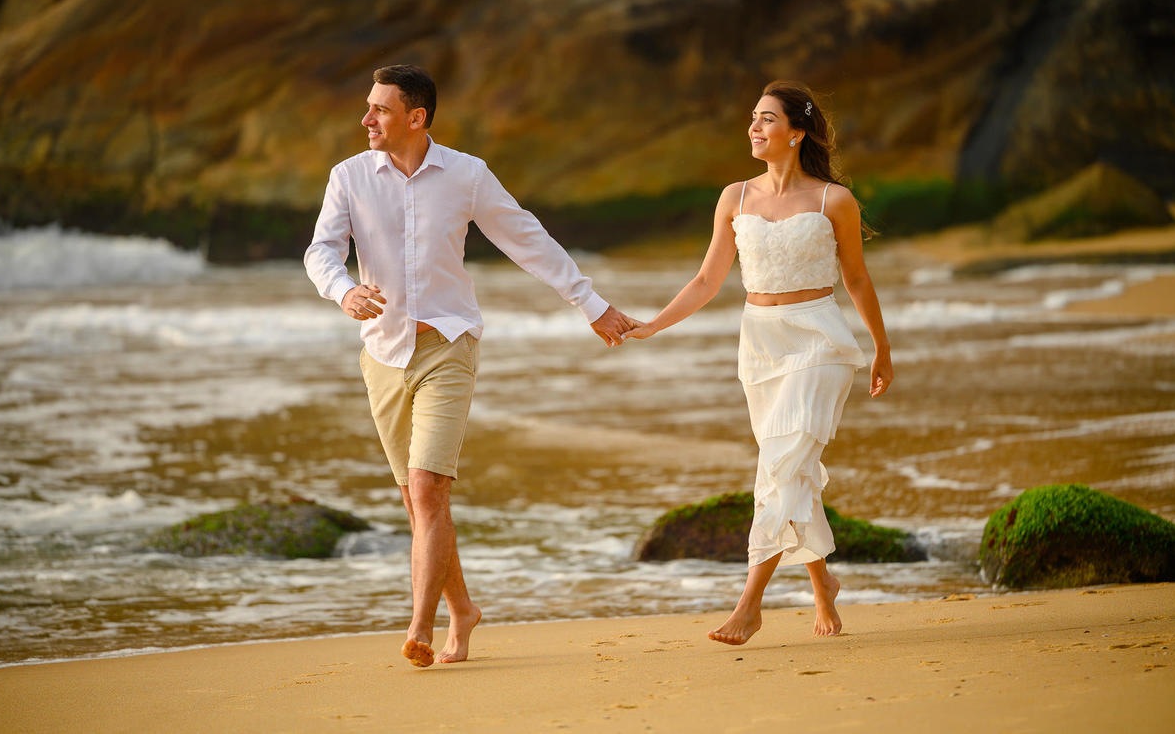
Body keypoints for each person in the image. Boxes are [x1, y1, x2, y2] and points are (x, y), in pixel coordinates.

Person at [304, 65, 636, 667]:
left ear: (416, 117)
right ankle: (464, 609)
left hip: (448, 346)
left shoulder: (467, 174)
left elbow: (526, 238)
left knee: (429, 489)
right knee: (417, 503)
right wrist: (342, 290)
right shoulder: (348, 177)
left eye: (379, 109)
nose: (366, 119)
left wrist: (590, 303)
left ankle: (420, 628)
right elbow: (321, 249)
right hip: (381, 354)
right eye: (368, 107)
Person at [625, 80, 893, 641]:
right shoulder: (734, 198)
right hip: (761, 344)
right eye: (753, 117)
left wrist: (881, 349)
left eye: (767, 119)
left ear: (797, 133)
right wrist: (652, 324)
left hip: (819, 340)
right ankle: (823, 585)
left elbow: (857, 279)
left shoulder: (832, 201)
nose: (753, 127)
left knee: (778, 466)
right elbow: (706, 279)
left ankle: (749, 604)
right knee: (789, 468)